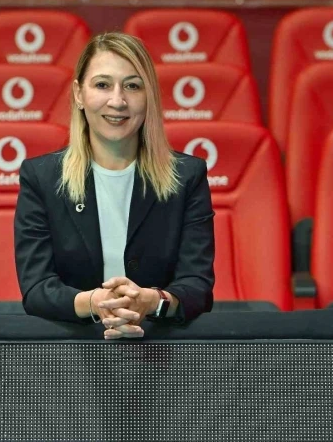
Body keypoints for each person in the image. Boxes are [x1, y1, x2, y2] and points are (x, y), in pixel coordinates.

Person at [14, 32, 215, 339]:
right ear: (79, 94)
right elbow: (37, 289)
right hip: (73, 348)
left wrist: (152, 301)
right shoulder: (42, 177)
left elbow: (197, 287)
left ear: (149, 96)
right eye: (102, 85)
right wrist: (96, 303)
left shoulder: (187, 176)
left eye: (132, 86)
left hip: (161, 347)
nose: (118, 101)